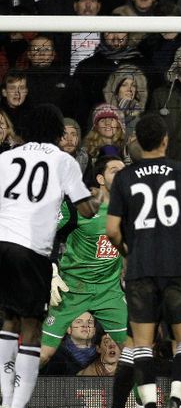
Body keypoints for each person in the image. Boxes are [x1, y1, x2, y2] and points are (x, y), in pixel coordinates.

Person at [105, 113, 181, 408]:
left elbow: (112, 230)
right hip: (178, 266)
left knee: (141, 345)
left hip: (141, 269)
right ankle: (177, 402)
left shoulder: (124, 178)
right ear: (165, 140)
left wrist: (129, 252)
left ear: (138, 142)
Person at [0, 104, 100, 408]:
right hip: (31, 250)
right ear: (57, 131)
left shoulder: (5, 158)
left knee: (8, 320)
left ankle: (5, 404)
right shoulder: (62, 160)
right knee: (31, 329)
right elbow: (85, 210)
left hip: (2, 243)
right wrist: (100, 197)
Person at [40, 156, 128, 369]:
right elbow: (44, 233)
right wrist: (50, 269)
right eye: (115, 171)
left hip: (109, 292)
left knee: (135, 353)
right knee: (43, 355)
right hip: (72, 290)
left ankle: (142, 394)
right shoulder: (79, 206)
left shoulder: (133, 207)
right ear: (100, 179)